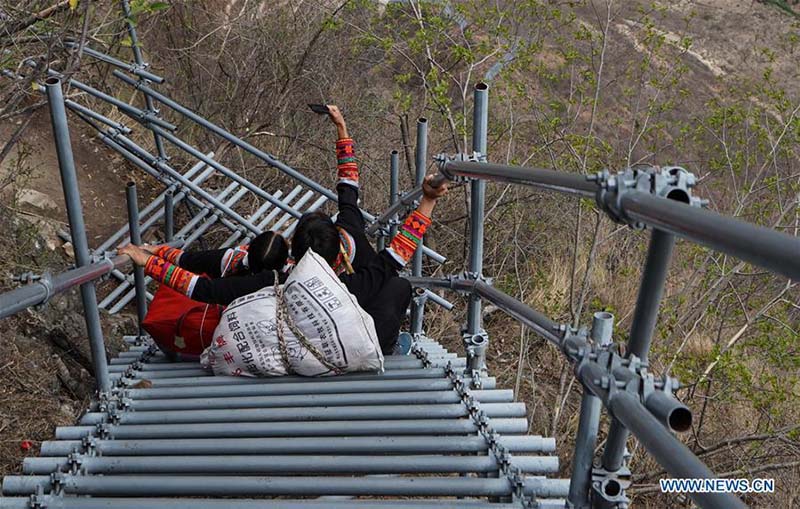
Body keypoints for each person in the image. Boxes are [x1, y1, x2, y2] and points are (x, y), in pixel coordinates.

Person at [121, 105, 448, 353]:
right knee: (398, 286)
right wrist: (428, 198)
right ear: (336, 236)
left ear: (294, 245)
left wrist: (148, 260)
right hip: (359, 339)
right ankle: (384, 349)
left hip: (315, 345)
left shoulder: (283, 277)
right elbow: (367, 206)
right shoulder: (357, 253)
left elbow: (203, 290)